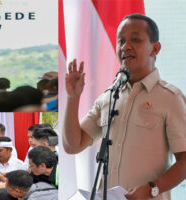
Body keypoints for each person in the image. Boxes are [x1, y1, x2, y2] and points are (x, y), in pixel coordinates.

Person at [63, 14, 186, 200]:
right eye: (121, 41)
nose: (125, 47)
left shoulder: (170, 97)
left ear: (155, 48)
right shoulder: (109, 97)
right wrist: (73, 98)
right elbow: (73, 145)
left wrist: (153, 188)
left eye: (135, 39)